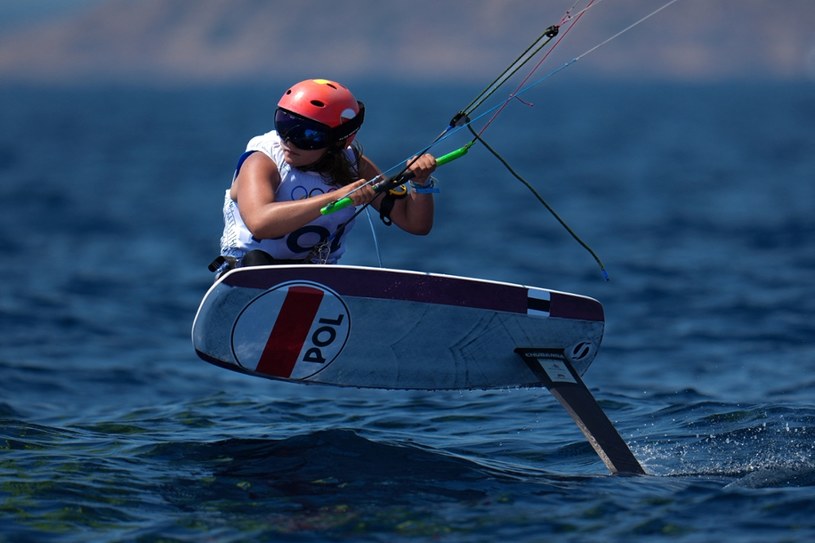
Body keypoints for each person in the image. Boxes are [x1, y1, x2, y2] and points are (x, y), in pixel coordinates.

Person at [213, 78, 437, 274]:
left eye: (307, 135)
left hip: (316, 281)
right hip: (247, 274)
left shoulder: (354, 166)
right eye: (285, 125)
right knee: (257, 262)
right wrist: (335, 197)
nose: (289, 142)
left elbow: (415, 224)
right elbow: (259, 223)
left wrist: (421, 183)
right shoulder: (262, 161)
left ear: (338, 141)